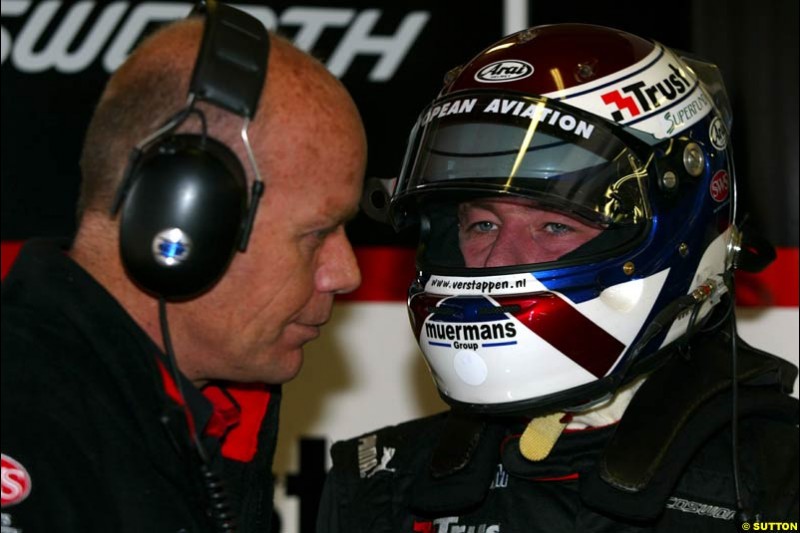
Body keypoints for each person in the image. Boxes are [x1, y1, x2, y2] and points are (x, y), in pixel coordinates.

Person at [317, 24, 798, 532]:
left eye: (555, 224)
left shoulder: (777, 483)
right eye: (483, 223)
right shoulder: (380, 484)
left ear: (680, 232)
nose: (499, 258)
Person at [1, 2, 366, 532]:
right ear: (181, 219)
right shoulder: (24, 423)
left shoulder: (204, 414)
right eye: (317, 233)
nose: (346, 272)